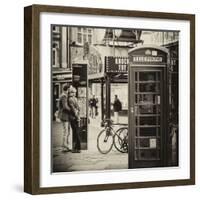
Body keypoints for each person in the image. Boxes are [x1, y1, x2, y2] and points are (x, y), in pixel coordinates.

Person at [58, 84, 71, 152]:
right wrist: (71, 110)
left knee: (67, 131)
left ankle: (66, 145)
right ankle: (64, 146)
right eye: (69, 89)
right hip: (64, 116)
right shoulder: (64, 96)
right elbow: (65, 106)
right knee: (66, 131)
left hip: (65, 115)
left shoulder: (64, 95)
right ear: (67, 89)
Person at [68, 86, 81, 153]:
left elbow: (73, 109)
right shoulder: (75, 99)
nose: (69, 93)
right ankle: (77, 147)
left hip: (73, 117)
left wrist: (76, 116)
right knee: (76, 132)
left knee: (75, 132)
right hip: (76, 117)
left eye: (70, 92)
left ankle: (77, 148)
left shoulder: (70, 99)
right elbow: (78, 108)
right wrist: (78, 115)